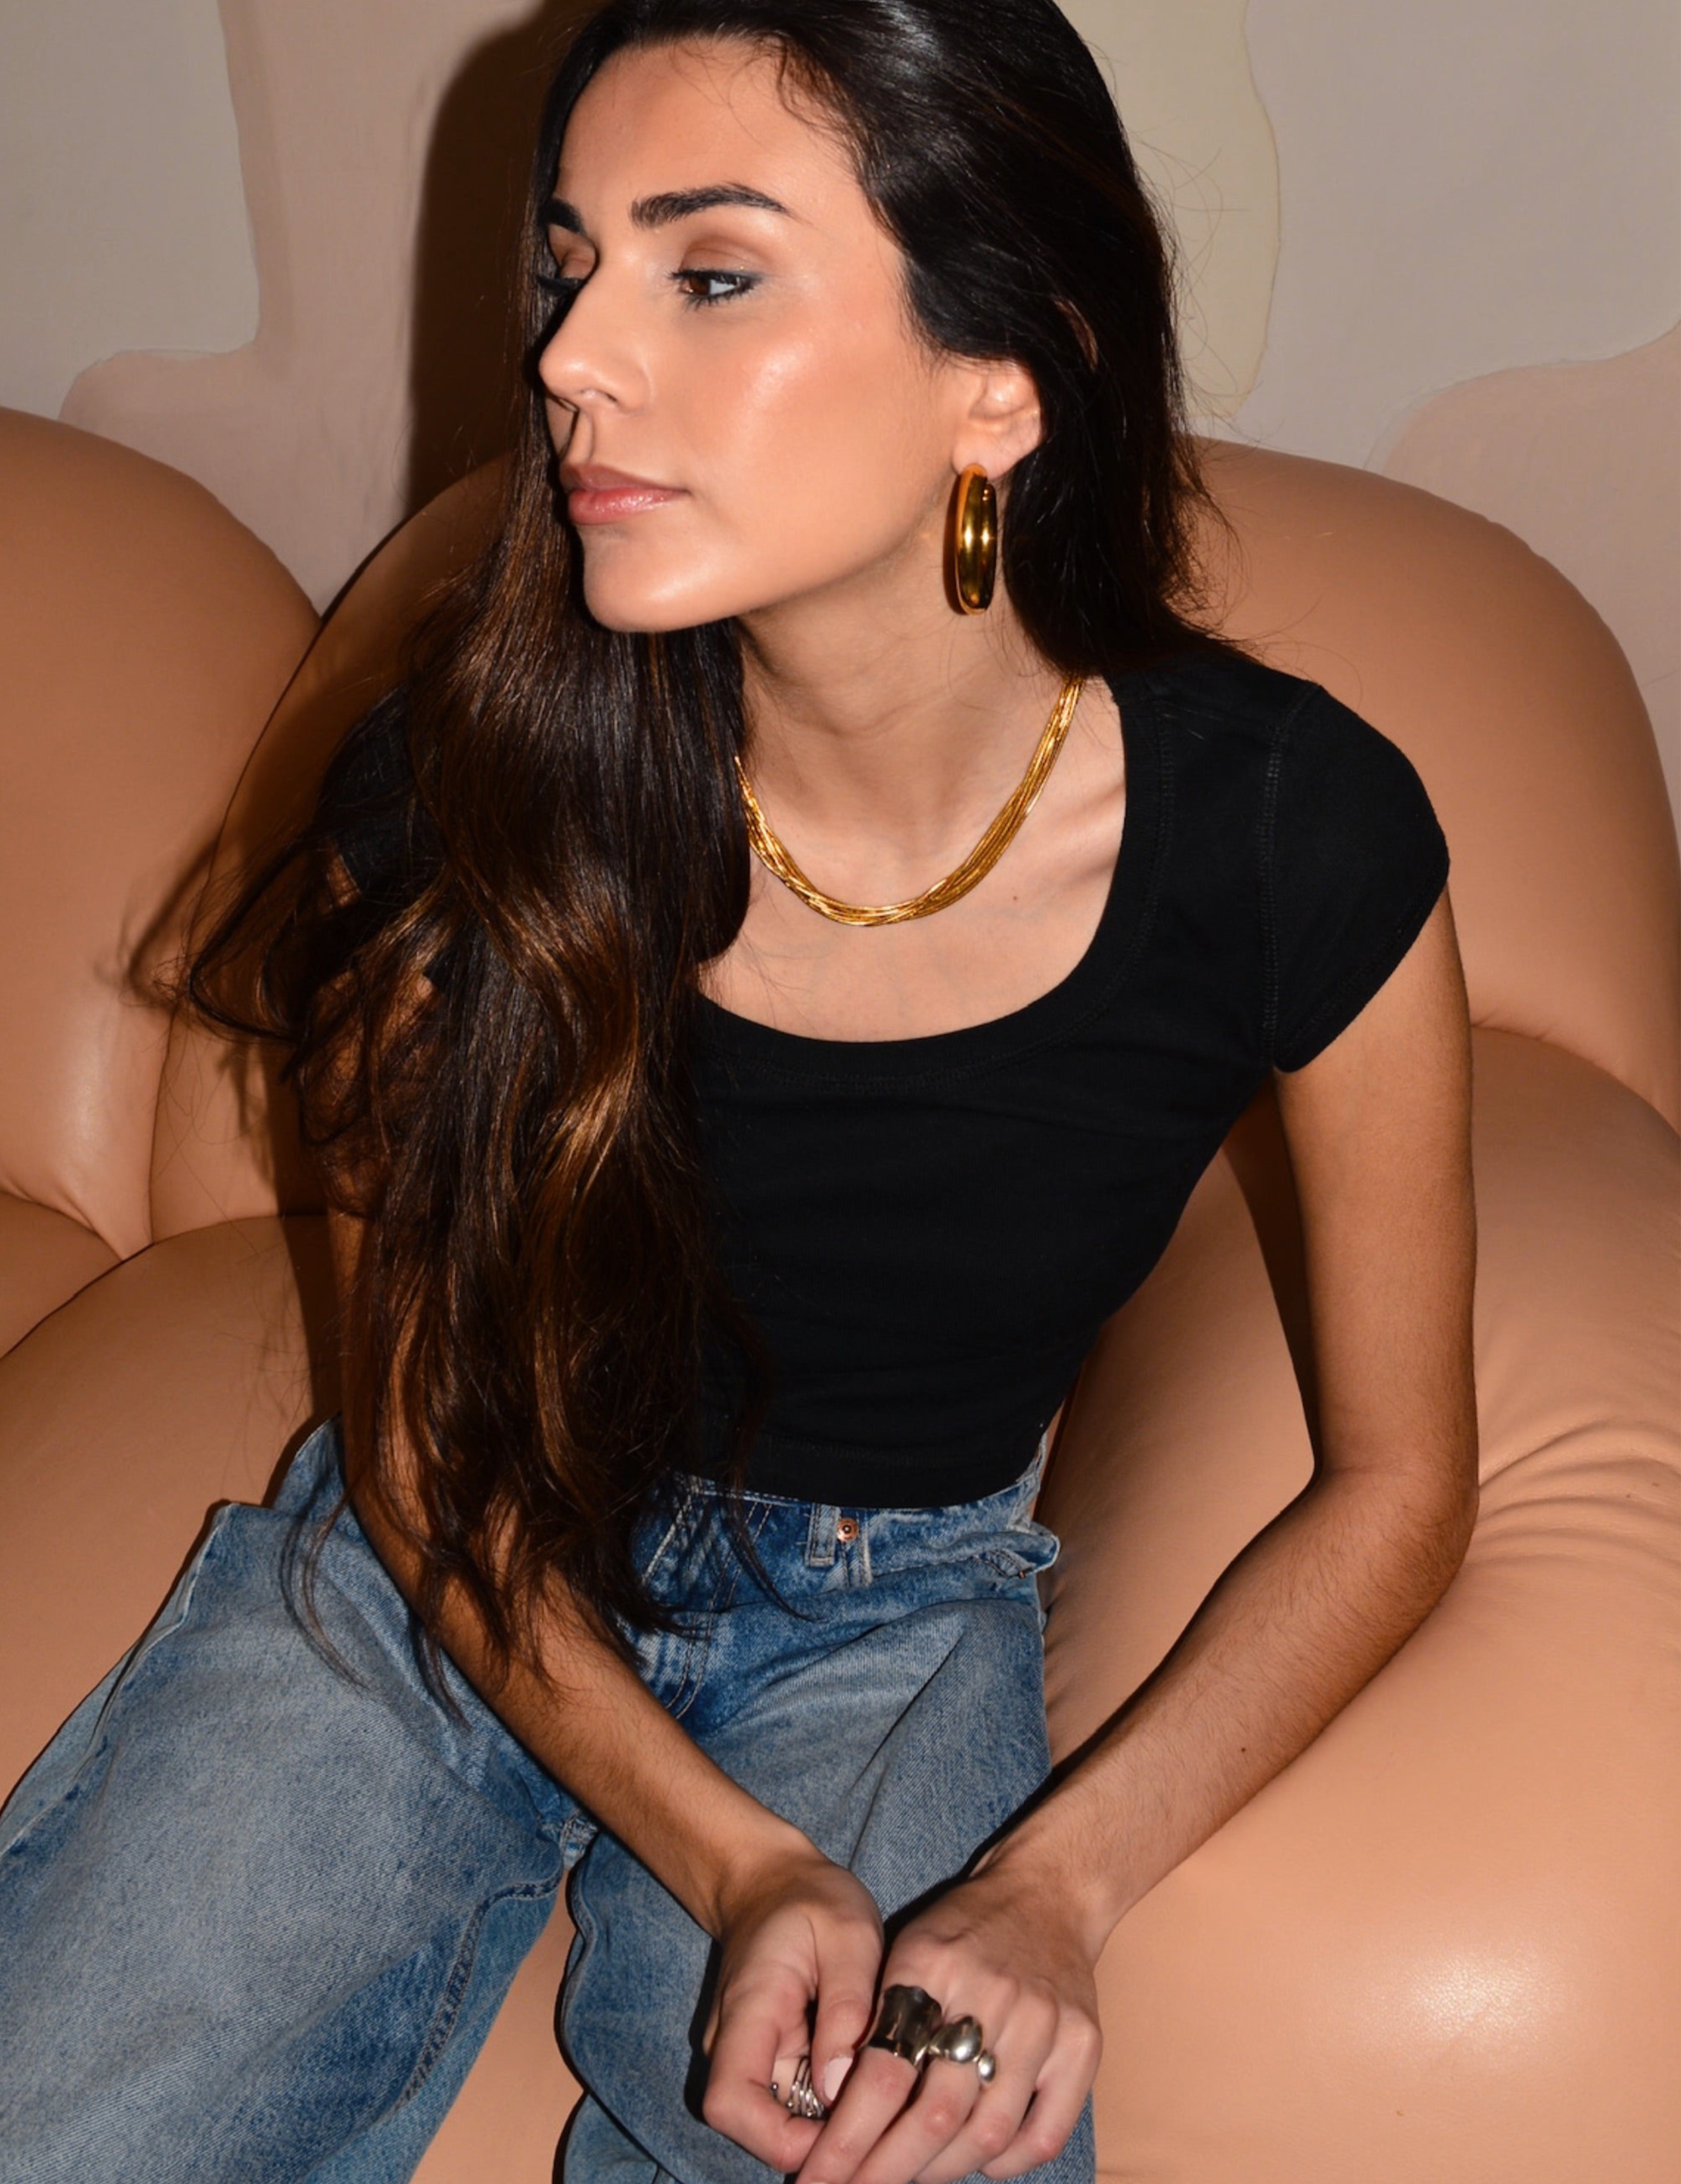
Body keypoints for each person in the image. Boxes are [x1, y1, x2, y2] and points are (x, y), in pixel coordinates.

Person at [0, 1, 1479, 2179]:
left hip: (889, 1619)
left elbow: (1400, 1485)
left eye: (706, 272)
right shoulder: (467, 787)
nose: (573, 357)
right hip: (458, 1556)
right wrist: (735, 1863)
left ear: (1004, 377)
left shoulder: (1292, 838)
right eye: (568, 265)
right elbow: (416, 1448)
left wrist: (1051, 1887)